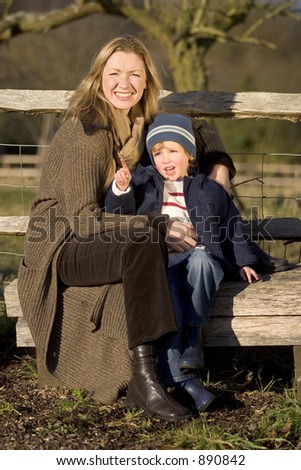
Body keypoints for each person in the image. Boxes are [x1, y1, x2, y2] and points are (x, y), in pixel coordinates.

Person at [17, 35, 287, 421]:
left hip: (107, 241)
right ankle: (150, 379)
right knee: (147, 237)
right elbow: (82, 220)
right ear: (98, 78)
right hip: (64, 247)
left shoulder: (137, 125)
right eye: (114, 73)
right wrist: (158, 225)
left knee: (147, 240)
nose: (123, 83)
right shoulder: (87, 133)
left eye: (134, 74)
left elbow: (194, 132)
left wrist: (220, 167)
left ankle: (159, 376)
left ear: (146, 83)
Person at [105, 113, 262, 412]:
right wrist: (121, 189)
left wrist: (243, 261)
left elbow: (232, 225)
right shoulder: (146, 183)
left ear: (189, 154)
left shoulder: (208, 188)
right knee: (172, 304)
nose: (165, 159)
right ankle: (185, 381)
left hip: (200, 258)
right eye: (157, 152)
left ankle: (193, 336)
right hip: (163, 263)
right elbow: (120, 217)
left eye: (173, 150)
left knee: (203, 260)